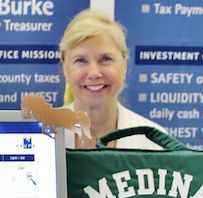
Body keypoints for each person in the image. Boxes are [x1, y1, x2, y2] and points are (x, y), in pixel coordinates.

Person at [59, 9, 165, 150]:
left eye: (105, 59)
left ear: (124, 65)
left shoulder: (154, 142)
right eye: (81, 60)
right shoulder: (41, 135)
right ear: (65, 68)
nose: (94, 73)